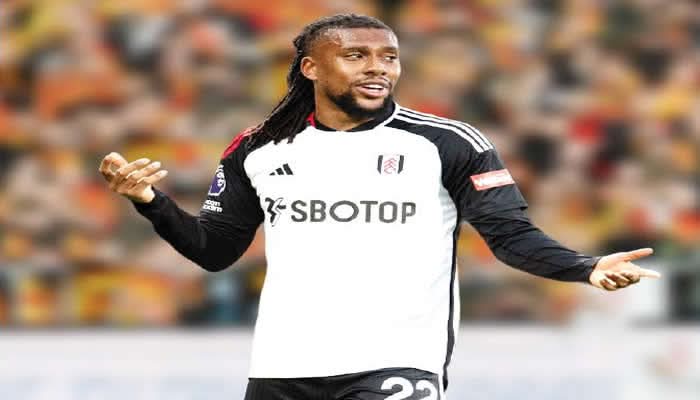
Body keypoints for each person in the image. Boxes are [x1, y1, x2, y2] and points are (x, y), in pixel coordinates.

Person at [99, 14, 661, 400]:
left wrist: (585, 267)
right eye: (356, 56)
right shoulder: (258, 149)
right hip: (282, 365)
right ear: (311, 68)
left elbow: (510, 235)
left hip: (395, 359)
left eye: (389, 57)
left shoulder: (448, 143)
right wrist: (150, 201)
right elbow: (215, 250)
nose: (378, 68)